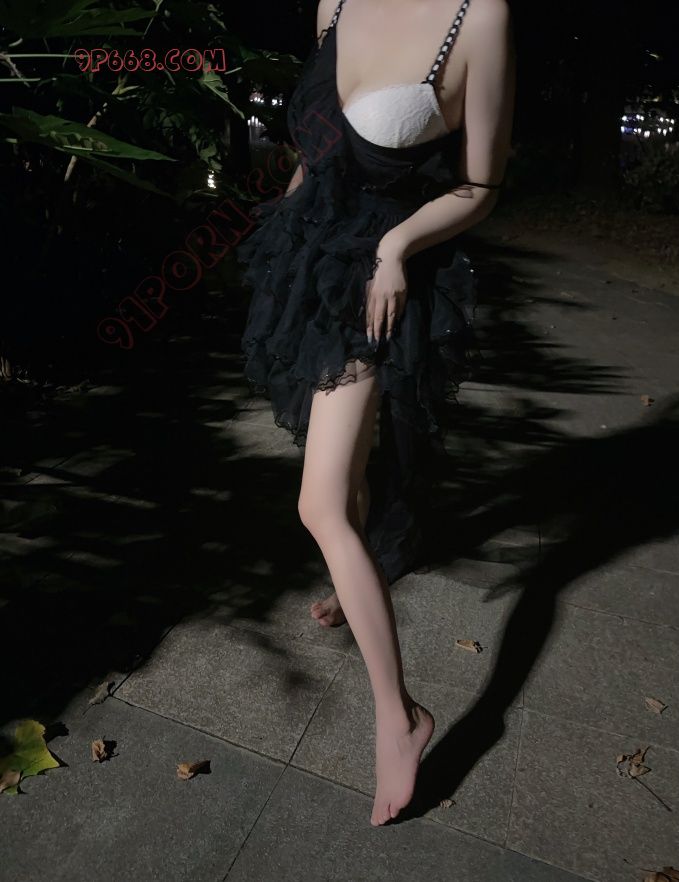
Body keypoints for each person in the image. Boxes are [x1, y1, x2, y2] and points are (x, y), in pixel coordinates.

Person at [237, 0, 515, 827]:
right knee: (345, 466)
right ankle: (354, 578)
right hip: (309, 261)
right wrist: (278, 242)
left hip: (380, 281)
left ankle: (401, 718)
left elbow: (481, 185)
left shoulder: (480, 17)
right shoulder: (337, 0)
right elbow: (317, 151)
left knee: (320, 502)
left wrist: (397, 249)